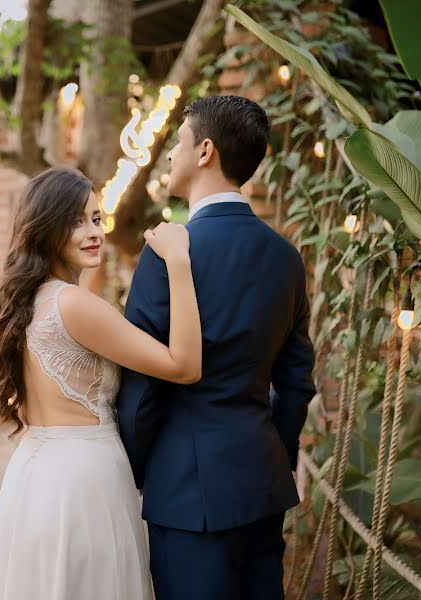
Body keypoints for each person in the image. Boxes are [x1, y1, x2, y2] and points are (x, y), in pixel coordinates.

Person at [117, 95, 317, 600]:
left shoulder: (166, 251)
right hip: (261, 483)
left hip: (185, 492)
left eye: (177, 143)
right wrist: (275, 456)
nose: (169, 156)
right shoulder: (286, 258)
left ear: (205, 151)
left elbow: (141, 391)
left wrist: (140, 471)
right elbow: (296, 383)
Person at [0, 166, 201, 600]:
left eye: (96, 219)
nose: (93, 231)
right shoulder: (73, 304)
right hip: (83, 486)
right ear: (45, 229)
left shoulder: (27, 302)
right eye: (75, 221)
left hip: (30, 480)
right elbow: (184, 366)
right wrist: (178, 261)